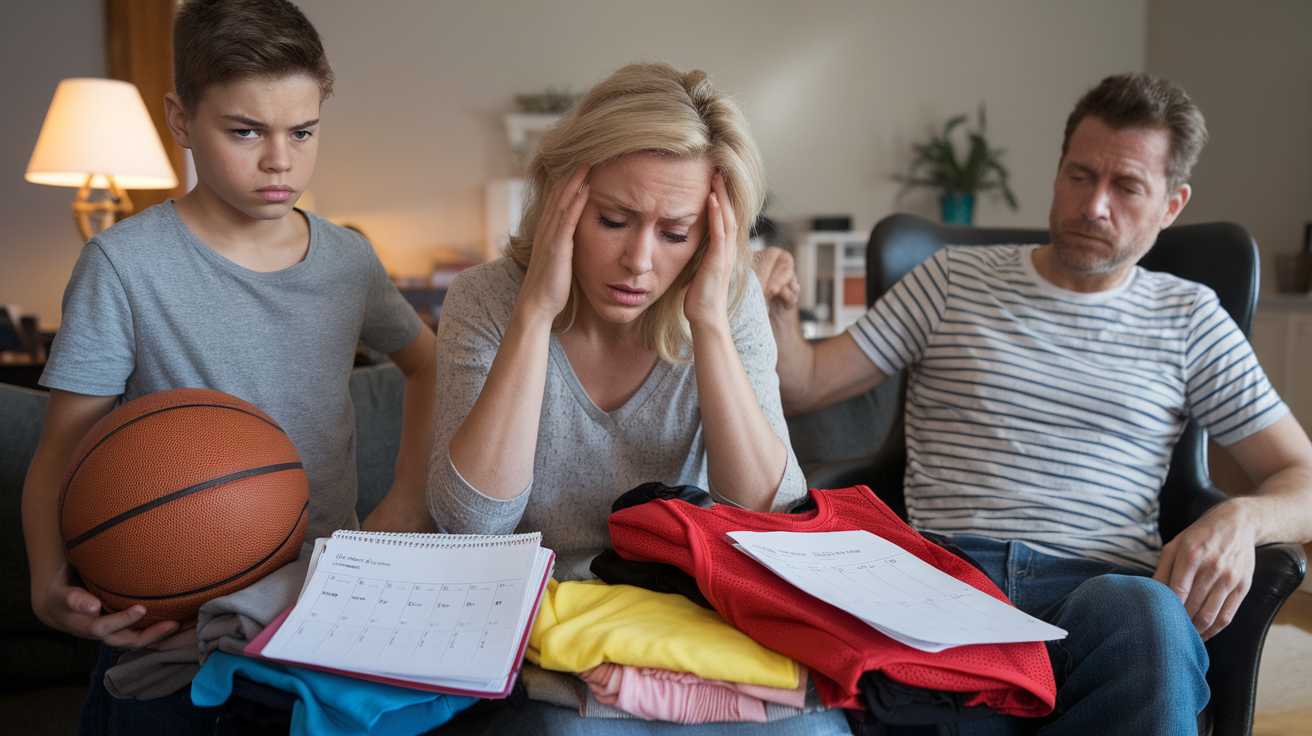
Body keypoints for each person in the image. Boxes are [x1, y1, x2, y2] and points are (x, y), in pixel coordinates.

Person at [754, 72, 1312, 733]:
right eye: (1080, 175)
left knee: (1150, 618)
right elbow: (807, 383)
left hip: (1101, 592)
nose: (1094, 205)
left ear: (1171, 204)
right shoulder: (951, 279)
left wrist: (1242, 519)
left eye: (1127, 186)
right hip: (943, 575)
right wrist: (777, 309)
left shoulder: (1189, 317)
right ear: (1057, 172)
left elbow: (1302, 477)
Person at [20, 0, 437, 732]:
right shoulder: (122, 265)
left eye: (302, 132)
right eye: (245, 131)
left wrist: (405, 501)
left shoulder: (348, 260)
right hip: (169, 609)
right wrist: (46, 579)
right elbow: (63, 447)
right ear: (181, 120)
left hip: (314, 602)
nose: (280, 160)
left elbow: (431, 367)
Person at [426, 62, 847, 734]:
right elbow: (469, 523)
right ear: (561, 198)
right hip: (550, 628)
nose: (639, 261)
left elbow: (768, 513)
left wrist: (710, 323)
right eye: (614, 220)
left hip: (699, 618)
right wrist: (535, 312)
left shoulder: (727, 301)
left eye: (675, 233)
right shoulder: (487, 300)